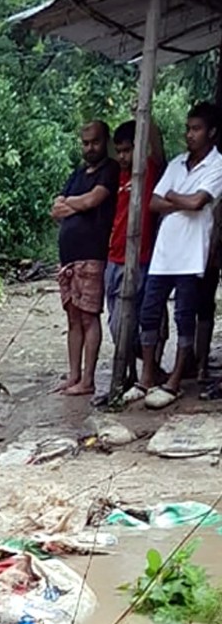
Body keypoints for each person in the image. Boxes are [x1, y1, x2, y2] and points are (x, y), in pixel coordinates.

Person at [132, 103, 222, 409]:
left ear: (211, 132)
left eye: (196, 129)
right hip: (165, 252)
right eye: (188, 128)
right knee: (149, 311)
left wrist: (173, 196)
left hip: (191, 254)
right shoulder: (177, 162)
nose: (189, 135)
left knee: (186, 315)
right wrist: (178, 198)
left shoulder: (218, 165)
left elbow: (198, 202)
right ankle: (146, 377)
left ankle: (175, 381)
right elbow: (154, 203)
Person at [51, 120, 121, 396]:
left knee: (89, 317)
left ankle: (88, 379)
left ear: (106, 142)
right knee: (72, 317)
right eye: (85, 143)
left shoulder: (110, 170)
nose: (90, 148)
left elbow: (94, 200)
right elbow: (55, 208)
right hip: (68, 257)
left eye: (95, 142)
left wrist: (72, 203)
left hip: (92, 255)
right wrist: (73, 204)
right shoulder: (78, 172)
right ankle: (73, 376)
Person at [104, 120, 164, 371]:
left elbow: (158, 152)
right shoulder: (115, 175)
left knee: (140, 320)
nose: (123, 156)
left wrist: (146, 122)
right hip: (113, 258)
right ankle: (128, 372)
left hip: (140, 258)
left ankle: (147, 370)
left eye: (128, 150)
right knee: (116, 324)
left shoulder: (147, 172)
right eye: (119, 151)